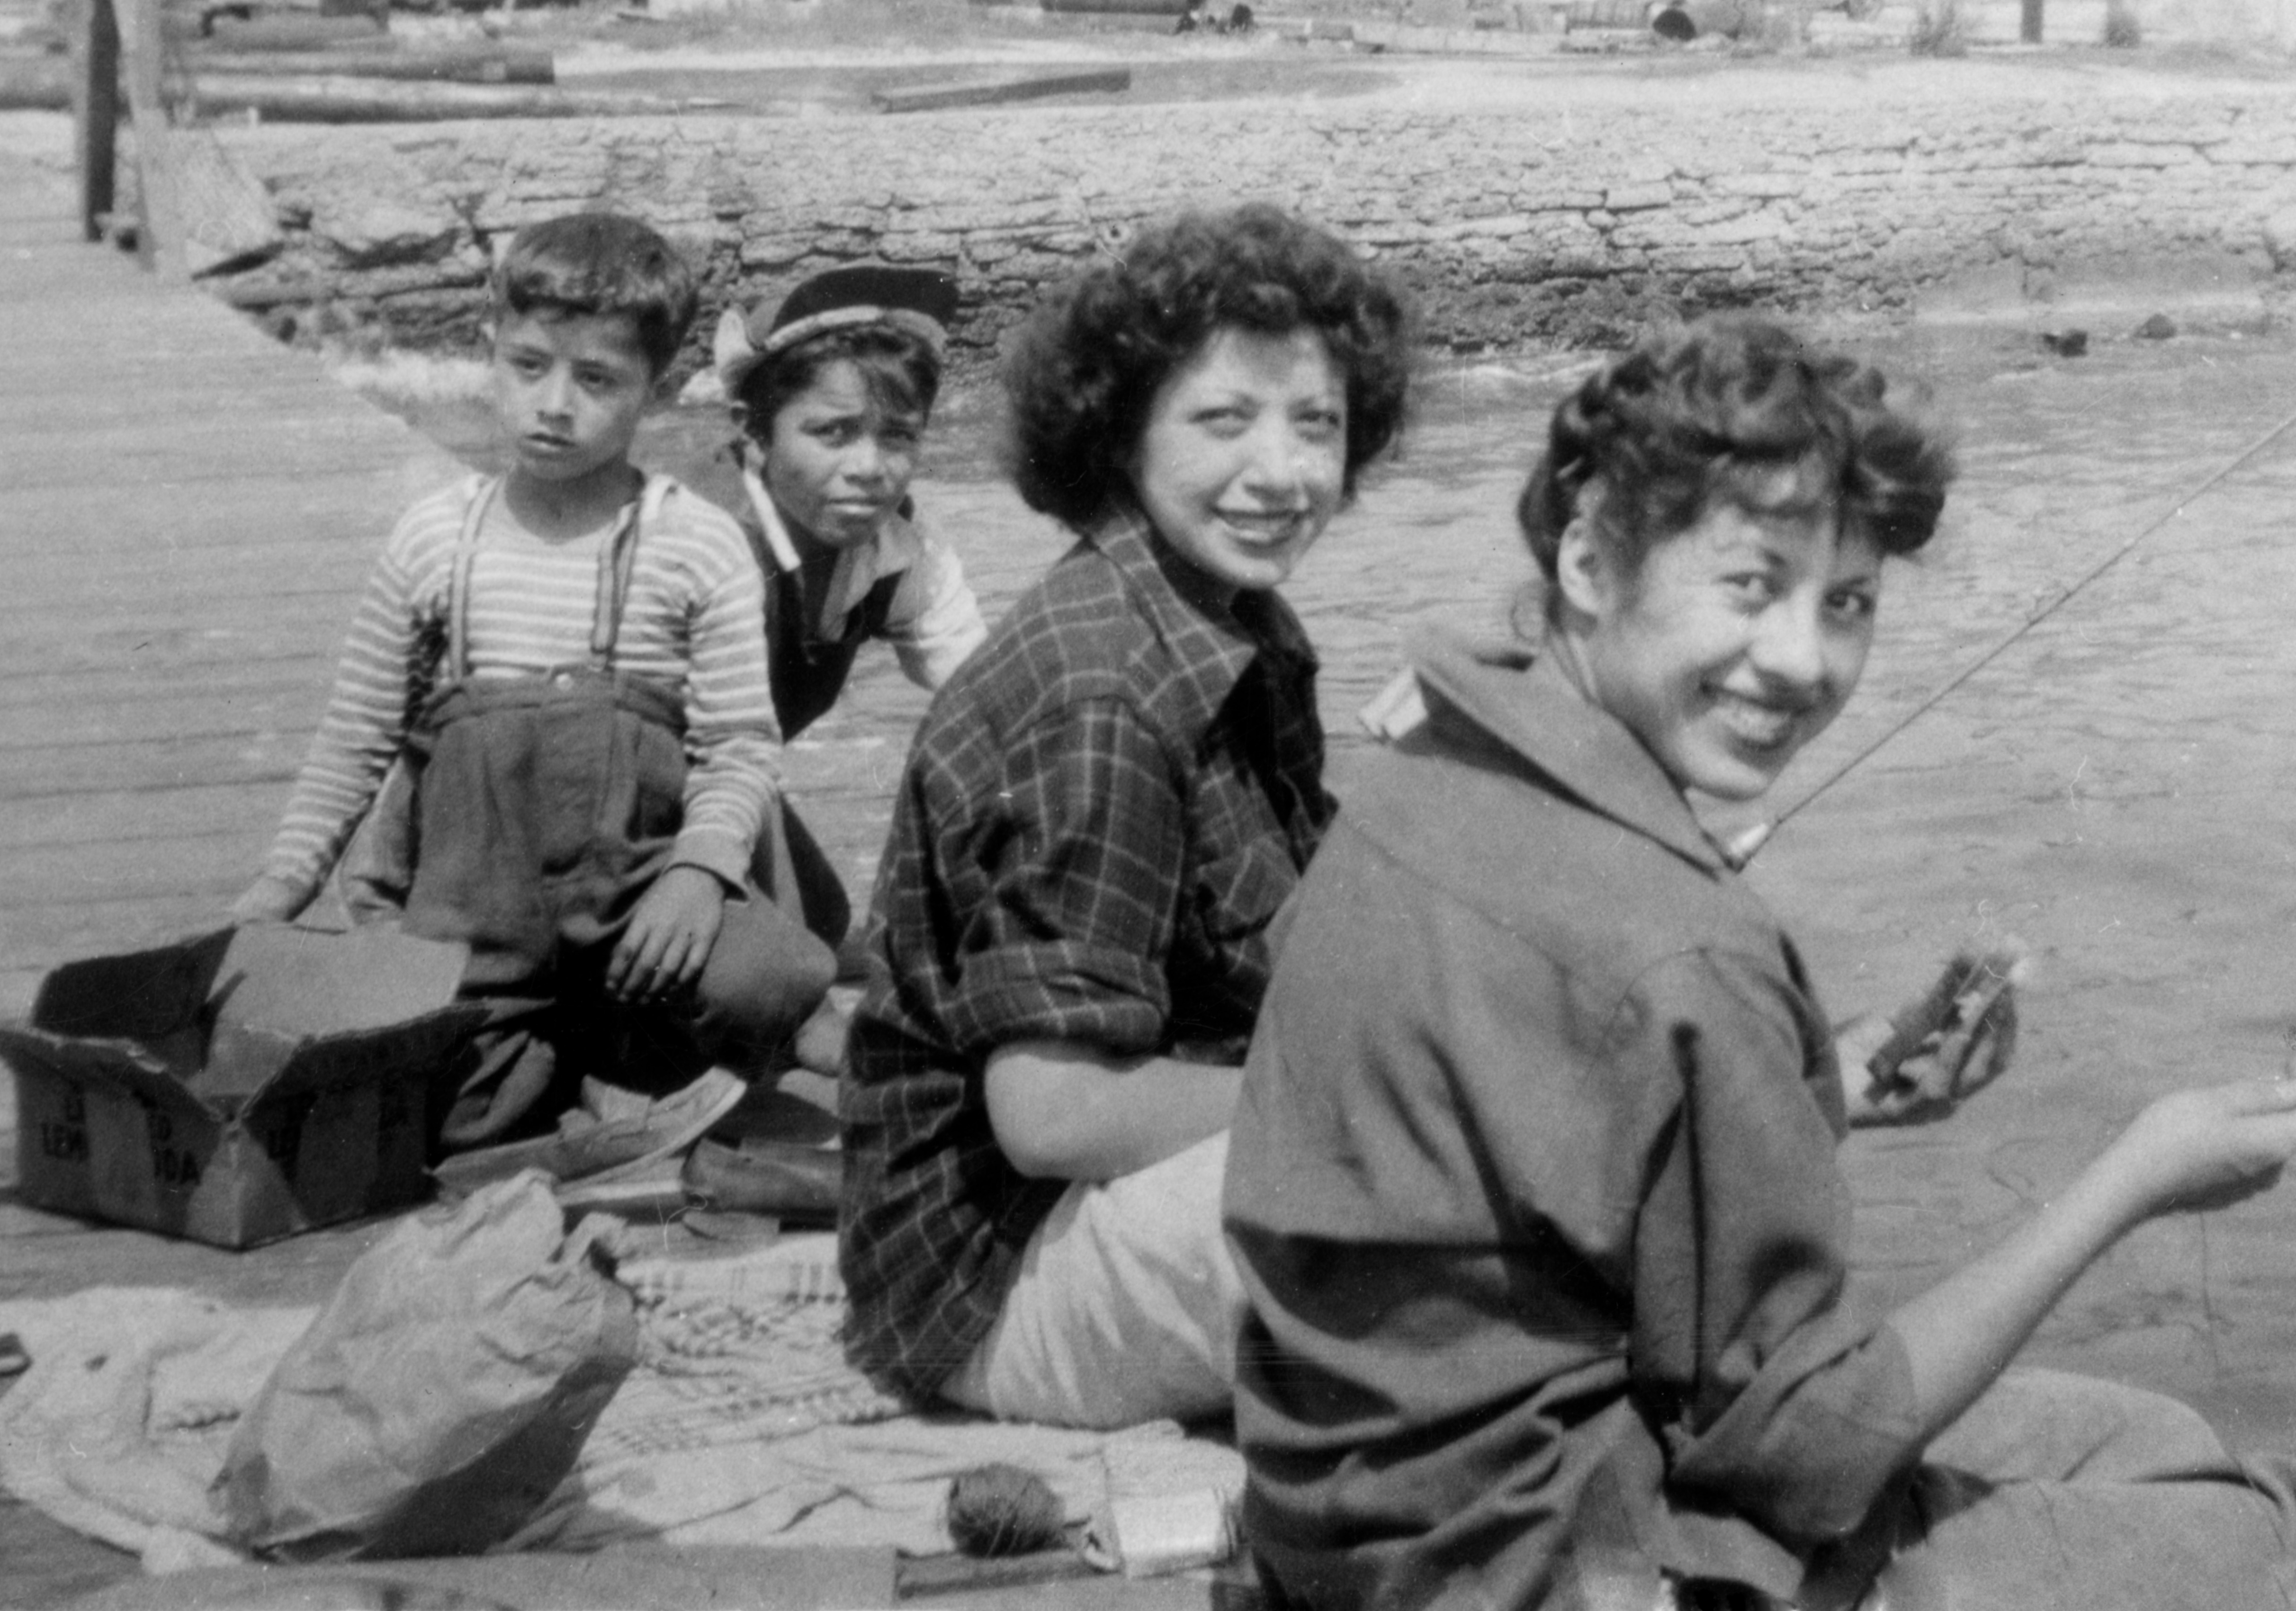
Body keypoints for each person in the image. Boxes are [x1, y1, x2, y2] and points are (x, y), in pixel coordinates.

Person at [1225, 315, 2296, 1610]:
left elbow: (1571, 1152)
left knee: (2146, 1444)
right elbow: (1805, 1455)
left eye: (1844, 602)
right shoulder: (1679, 943)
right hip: (1553, 1570)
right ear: (1591, 558)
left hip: (1365, 1525)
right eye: (1748, 584)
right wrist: (2132, 1176)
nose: (1799, 660)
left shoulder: (1425, 769)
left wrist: (1828, 1082)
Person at [837, 202, 1416, 1428]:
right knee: (1476, 1187)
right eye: (1221, 420)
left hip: (1117, 1199)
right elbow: (1052, 1114)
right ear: (1119, 434)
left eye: (1315, 421)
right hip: (992, 1282)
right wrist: (1377, 1093)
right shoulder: (1102, 689)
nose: (1280, 470)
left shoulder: (1231, 617)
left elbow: (1307, 940)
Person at [232, 212, 837, 1158]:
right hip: (474, 902)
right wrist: (280, 886)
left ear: (657, 387)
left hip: (636, 893)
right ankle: (558, 1062)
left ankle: (635, 1055)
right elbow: (355, 735)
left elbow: (738, 748)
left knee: (766, 978)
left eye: (595, 380)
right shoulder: (436, 539)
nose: (554, 404)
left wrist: (697, 869)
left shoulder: (696, 543)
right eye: (528, 367)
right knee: (440, 1126)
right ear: (491, 352)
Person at [711, 262, 988, 746]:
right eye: (833, 432)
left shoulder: (900, 545)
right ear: (752, 432)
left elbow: (988, 689)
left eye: (898, 435)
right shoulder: (698, 543)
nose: (869, 468)